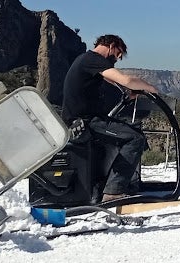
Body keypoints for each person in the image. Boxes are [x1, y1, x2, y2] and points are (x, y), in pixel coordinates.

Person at [60, 34, 160, 203]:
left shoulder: (86, 61)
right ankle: (113, 192)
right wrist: (151, 89)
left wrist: (130, 93)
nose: (118, 58)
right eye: (118, 53)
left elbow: (112, 81)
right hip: (86, 122)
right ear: (111, 46)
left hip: (84, 120)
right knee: (135, 138)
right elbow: (125, 79)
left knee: (127, 130)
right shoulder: (93, 59)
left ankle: (111, 184)